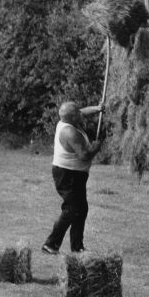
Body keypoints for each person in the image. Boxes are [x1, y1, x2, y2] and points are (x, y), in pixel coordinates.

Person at [42, 101, 105, 255]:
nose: (80, 114)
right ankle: (50, 244)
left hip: (75, 174)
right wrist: (96, 148)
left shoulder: (68, 118)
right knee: (71, 209)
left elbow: (82, 111)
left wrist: (97, 109)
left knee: (81, 209)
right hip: (67, 175)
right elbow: (84, 156)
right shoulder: (69, 132)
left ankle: (77, 247)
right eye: (77, 113)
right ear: (71, 117)